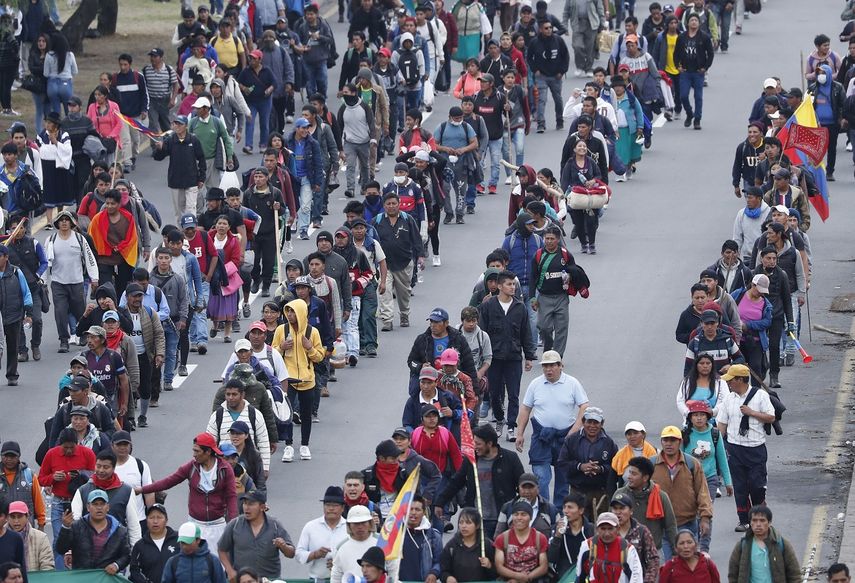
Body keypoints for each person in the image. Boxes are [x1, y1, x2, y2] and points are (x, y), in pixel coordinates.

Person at [515, 351, 588, 504]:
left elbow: (584, 406)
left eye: (552, 366)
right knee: (541, 478)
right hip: (542, 437)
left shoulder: (572, 383)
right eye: (545, 366)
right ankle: (545, 511)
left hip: (565, 437)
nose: (549, 370)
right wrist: (520, 433)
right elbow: (525, 408)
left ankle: (560, 514)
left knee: (563, 480)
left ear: (560, 366)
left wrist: (574, 430)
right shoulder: (536, 384)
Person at [138, 434, 238, 545]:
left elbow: (231, 496)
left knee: (218, 561)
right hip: (195, 525)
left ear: (208, 452)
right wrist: (142, 489)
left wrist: (233, 523)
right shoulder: (191, 467)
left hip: (217, 525)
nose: (194, 455)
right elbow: (168, 482)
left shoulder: (225, 469)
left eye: (197, 451)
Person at [716, 364, 776, 532]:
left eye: (731, 380)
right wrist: (717, 445)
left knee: (757, 486)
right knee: (740, 487)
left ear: (740, 380)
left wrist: (752, 413)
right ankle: (744, 520)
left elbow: (771, 416)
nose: (728, 384)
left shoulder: (761, 396)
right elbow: (722, 423)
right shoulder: (729, 399)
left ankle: (760, 515)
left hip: (755, 448)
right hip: (734, 449)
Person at [479, 270, 535, 441]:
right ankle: (499, 420)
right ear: (500, 286)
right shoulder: (488, 306)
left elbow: (526, 333)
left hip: (513, 357)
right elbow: (482, 332)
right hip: (494, 358)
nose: (512, 287)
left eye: (514, 284)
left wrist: (529, 356)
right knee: (494, 393)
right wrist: (482, 358)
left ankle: (511, 426)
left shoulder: (520, 308)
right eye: (509, 284)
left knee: (514, 394)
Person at [272, 299, 325, 461]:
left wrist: (309, 347)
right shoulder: (281, 330)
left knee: (306, 414)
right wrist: (281, 347)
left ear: (301, 313)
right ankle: (288, 446)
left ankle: (304, 445)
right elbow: (272, 353)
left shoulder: (312, 332)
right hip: (288, 379)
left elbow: (319, 356)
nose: (290, 314)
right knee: (286, 414)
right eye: (288, 311)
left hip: (307, 379)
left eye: (293, 311)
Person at [651, 426, 712, 559]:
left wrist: (705, 518)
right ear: (661, 442)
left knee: (689, 566)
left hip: (688, 524)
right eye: (665, 440)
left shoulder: (692, 463)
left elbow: (702, 491)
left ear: (680, 442)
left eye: (673, 440)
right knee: (669, 568)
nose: (668, 444)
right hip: (661, 526)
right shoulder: (652, 464)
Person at [556, 407, 618, 520]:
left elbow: (615, 467)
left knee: (601, 526)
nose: (592, 426)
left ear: (602, 423)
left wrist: (600, 469)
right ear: (583, 421)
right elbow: (562, 463)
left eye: (596, 422)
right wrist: (580, 467)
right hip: (577, 491)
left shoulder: (609, 443)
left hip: (601, 493)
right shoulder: (571, 440)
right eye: (589, 422)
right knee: (576, 524)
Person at [218, 490, 294, 581]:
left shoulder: (275, 525)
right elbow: (221, 549)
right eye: (245, 503)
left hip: (270, 579)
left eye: (251, 504)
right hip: (244, 580)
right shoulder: (235, 524)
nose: (246, 507)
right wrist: (230, 571)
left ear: (262, 507)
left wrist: (284, 546)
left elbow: (291, 553)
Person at [375, 193, 425, 331]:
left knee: (404, 293)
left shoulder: (407, 219)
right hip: (384, 265)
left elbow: (416, 239)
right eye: (388, 204)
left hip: (404, 262)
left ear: (399, 204)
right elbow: (370, 241)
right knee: (384, 291)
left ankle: (404, 314)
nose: (391, 206)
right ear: (384, 206)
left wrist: (420, 256)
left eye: (394, 203)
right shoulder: (377, 221)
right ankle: (387, 319)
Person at [57, 489, 131, 574]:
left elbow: (126, 555)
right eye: (95, 504)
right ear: (88, 507)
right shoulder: (76, 526)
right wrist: (65, 528)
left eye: (102, 504)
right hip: (82, 577)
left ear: (108, 507)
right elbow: (61, 549)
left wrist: (116, 565)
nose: (99, 508)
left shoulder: (120, 530)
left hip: (107, 578)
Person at [726, 505, 801, 583]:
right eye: (754, 520)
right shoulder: (742, 545)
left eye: (762, 520)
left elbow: (794, 575)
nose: (758, 524)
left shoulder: (781, 544)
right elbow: (733, 574)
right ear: (750, 523)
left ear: (769, 523)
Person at [295, 486, 348, 582]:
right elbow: (299, 555)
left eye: (335, 505)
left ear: (343, 508)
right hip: (318, 580)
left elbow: (357, 556)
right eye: (327, 505)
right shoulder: (310, 527)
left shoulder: (350, 528)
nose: (331, 508)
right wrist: (315, 554)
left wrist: (339, 565)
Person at [576, 512, 644, 583]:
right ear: (597, 529)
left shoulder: (628, 550)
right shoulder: (587, 546)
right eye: (603, 529)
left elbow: (637, 579)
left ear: (618, 529)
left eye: (610, 529)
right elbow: (579, 577)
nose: (607, 533)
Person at [528, 20, 569, 133]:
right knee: (541, 100)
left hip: (556, 76)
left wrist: (562, 71)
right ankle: (541, 123)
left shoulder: (558, 40)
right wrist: (534, 69)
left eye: (550, 27)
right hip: (541, 76)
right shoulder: (535, 42)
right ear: (541, 29)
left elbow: (565, 56)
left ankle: (559, 121)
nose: (549, 30)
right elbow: (529, 57)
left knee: (558, 99)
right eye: (546, 28)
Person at [673, 14, 714, 130]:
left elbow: (710, 53)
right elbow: (675, 54)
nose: (694, 22)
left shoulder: (704, 37)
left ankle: (697, 119)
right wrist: (678, 66)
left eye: (696, 20)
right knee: (683, 96)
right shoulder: (681, 37)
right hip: (685, 71)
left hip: (698, 72)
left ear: (699, 23)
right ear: (687, 23)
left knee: (698, 97)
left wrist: (705, 67)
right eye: (692, 20)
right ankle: (689, 113)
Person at [0, 245, 33, 386]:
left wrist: (29, 313)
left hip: (14, 315)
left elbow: (26, 293)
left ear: (6, 257)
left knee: (13, 347)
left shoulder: (15, 272)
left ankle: (12, 375)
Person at [493, 500, 549, 582]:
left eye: (523, 514)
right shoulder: (502, 538)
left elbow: (544, 567)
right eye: (516, 514)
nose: (519, 518)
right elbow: (499, 567)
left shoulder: (540, 538)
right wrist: (517, 577)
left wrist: (526, 578)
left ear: (530, 517)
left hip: (533, 579)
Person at [439, 507, 496, 582]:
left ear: (477, 525)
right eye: (461, 522)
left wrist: (489, 566)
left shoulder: (486, 545)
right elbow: (443, 570)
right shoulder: (451, 545)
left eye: (468, 523)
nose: (464, 526)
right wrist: (448, 578)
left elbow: (497, 573)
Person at [161, 521, 228, 583]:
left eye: (188, 543)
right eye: (182, 543)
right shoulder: (173, 562)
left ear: (198, 540)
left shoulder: (212, 561)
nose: (184, 546)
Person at [129, 503, 180, 583]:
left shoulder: (179, 539)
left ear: (166, 520)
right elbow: (134, 570)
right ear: (146, 520)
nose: (155, 521)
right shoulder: (140, 546)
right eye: (151, 517)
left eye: (159, 517)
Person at [7, 501, 53, 571]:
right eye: (13, 517)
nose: (16, 521)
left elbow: (47, 566)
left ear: (27, 516)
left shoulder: (41, 538)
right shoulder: (2, 537)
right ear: (7, 518)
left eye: (20, 516)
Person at [565, 0, 605, 78]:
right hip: (577, 24)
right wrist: (565, 26)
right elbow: (566, 12)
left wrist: (603, 23)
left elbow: (600, 9)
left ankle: (588, 68)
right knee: (577, 46)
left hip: (591, 24)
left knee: (590, 48)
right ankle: (580, 66)